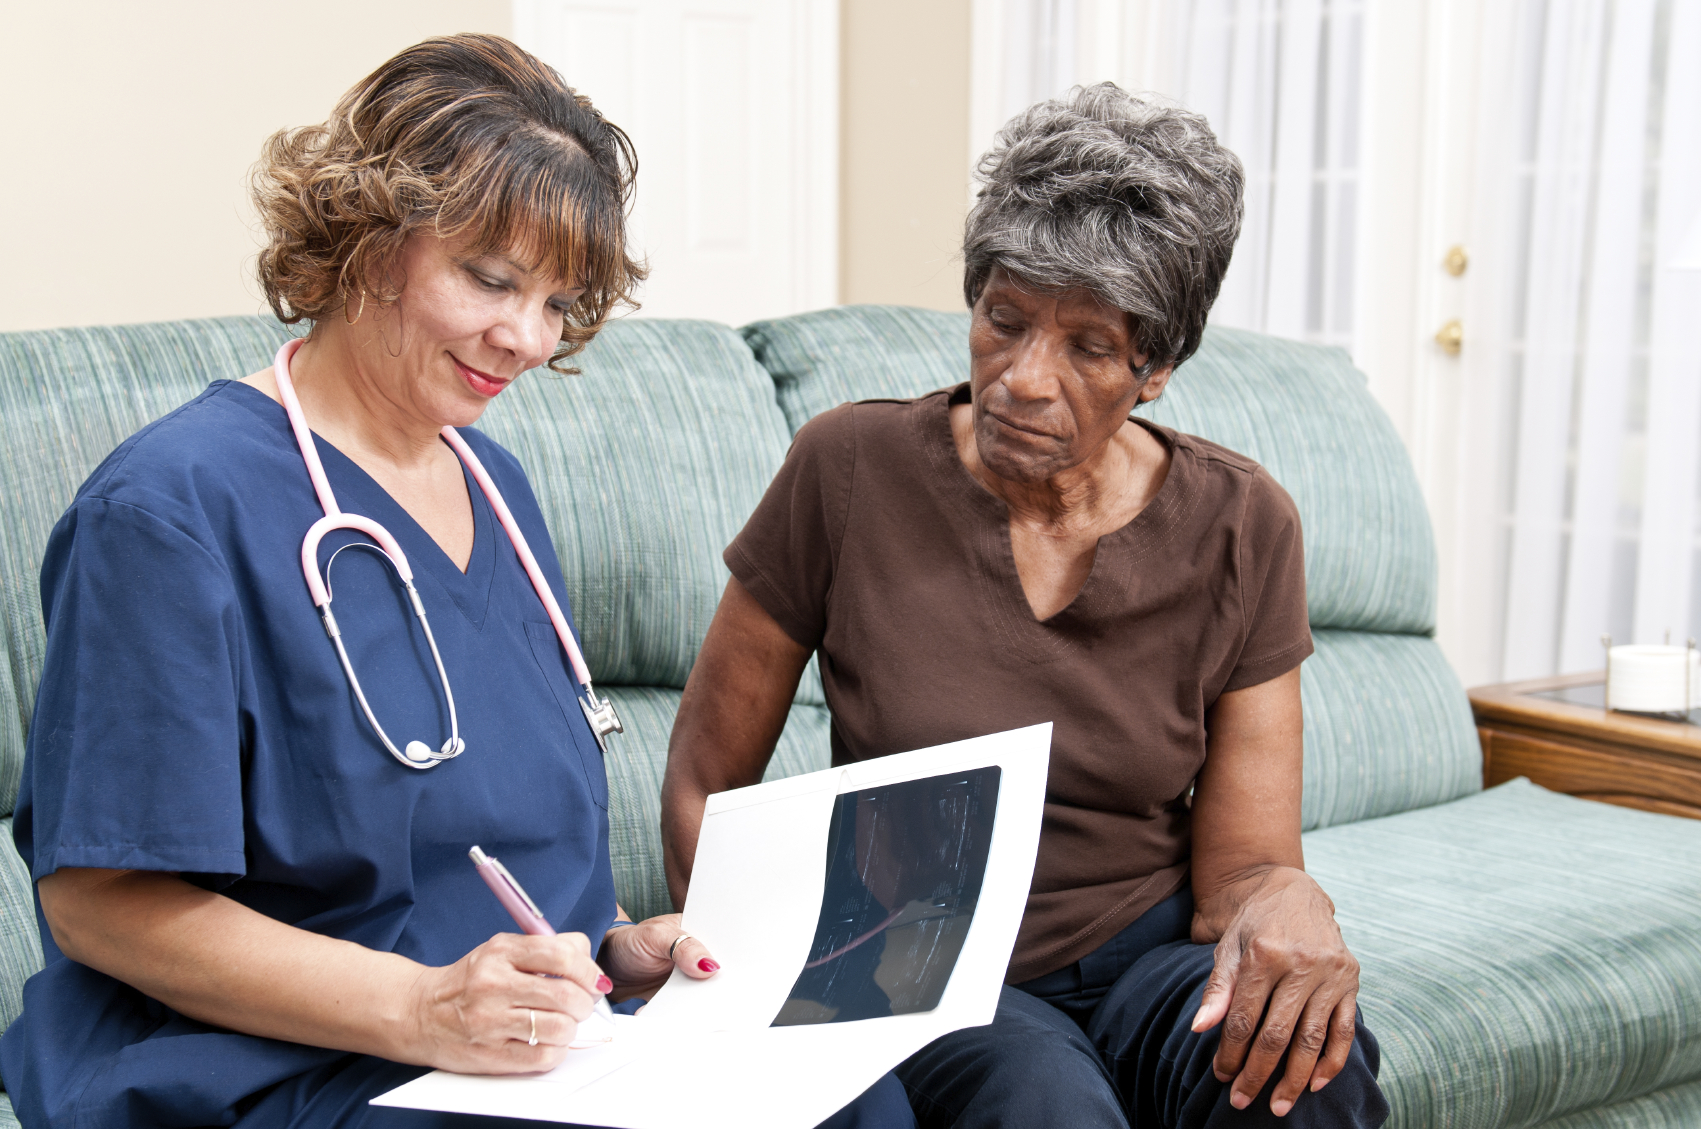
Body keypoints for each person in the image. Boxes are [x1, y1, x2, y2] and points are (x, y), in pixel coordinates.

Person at [0, 34, 913, 1129]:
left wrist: (616, 950)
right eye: (490, 279)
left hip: (527, 1047)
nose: (526, 338)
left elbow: (485, 849)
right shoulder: (167, 512)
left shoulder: (499, 493)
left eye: (560, 304)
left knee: (852, 1096)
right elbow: (102, 905)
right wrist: (426, 1006)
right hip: (285, 1058)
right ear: (372, 241)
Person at [660, 84, 1392, 1128]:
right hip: (929, 968)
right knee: (1045, 1105)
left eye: (1090, 348)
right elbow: (702, 775)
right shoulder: (850, 468)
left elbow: (1243, 877)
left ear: (1157, 369)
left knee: (1301, 1069)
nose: (1025, 380)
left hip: (1151, 959)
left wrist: (1290, 899)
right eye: (1003, 321)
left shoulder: (1244, 524)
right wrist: (739, 974)